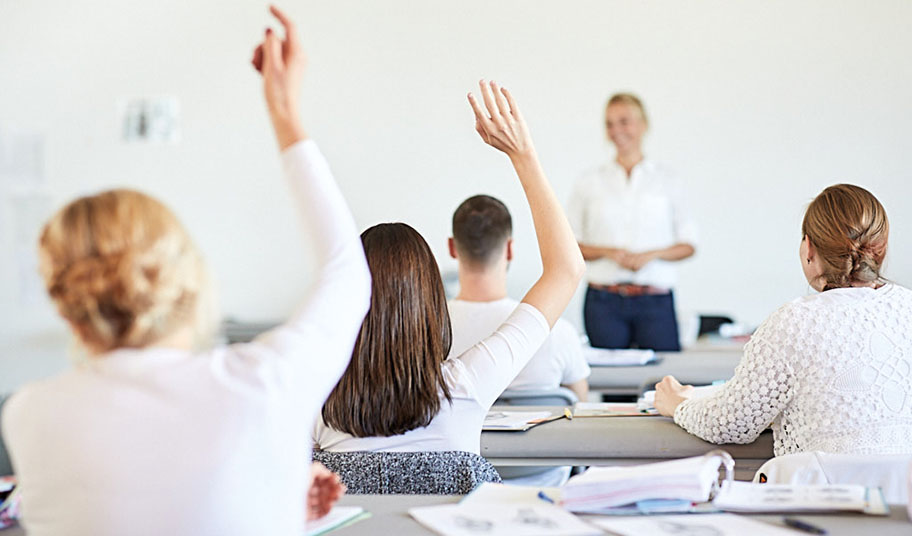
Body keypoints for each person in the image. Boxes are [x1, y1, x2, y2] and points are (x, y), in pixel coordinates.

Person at [1, 7, 368, 535]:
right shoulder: (261, 387)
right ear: (189, 281)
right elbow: (347, 272)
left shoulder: (29, 415)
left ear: (68, 307)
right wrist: (284, 111)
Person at [314, 80, 585, 454]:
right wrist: (523, 155)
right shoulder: (465, 386)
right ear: (431, 302)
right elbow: (566, 270)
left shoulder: (317, 402)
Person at [654, 184, 912, 456]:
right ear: (880, 250)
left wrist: (679, 405)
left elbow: (732, 423)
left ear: (808, 248)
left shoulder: (794, 322)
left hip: (823, 496)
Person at [568, 93, 696, 351]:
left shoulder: (669, 180)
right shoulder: (588, 182)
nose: (616, 130)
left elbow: (689, 244)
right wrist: (608, 252)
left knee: (665, 374)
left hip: (656, 303)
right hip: (603, 303)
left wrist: (652, 255)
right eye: (609, 124)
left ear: (643, 125)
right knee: (611, 376)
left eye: (624, 121)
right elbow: (568, 244)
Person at [447, 194, 590, 401]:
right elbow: (580, 406)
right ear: (509, 249)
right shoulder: (556, 331)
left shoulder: (423, 329)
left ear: (452, 247)